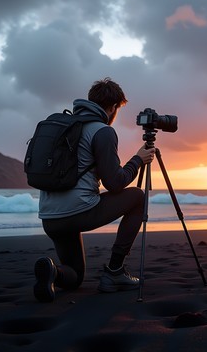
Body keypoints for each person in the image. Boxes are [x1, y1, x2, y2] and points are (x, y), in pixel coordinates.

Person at [33, 77, 155, 302]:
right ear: (113, 108)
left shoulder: (66, 126)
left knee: (75, 277)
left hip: (50, 218)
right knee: (138, 197)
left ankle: (53, 272)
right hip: (78, 213)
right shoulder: (102, 131)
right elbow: (115, 183)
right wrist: (138, 160)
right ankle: (115, 271)